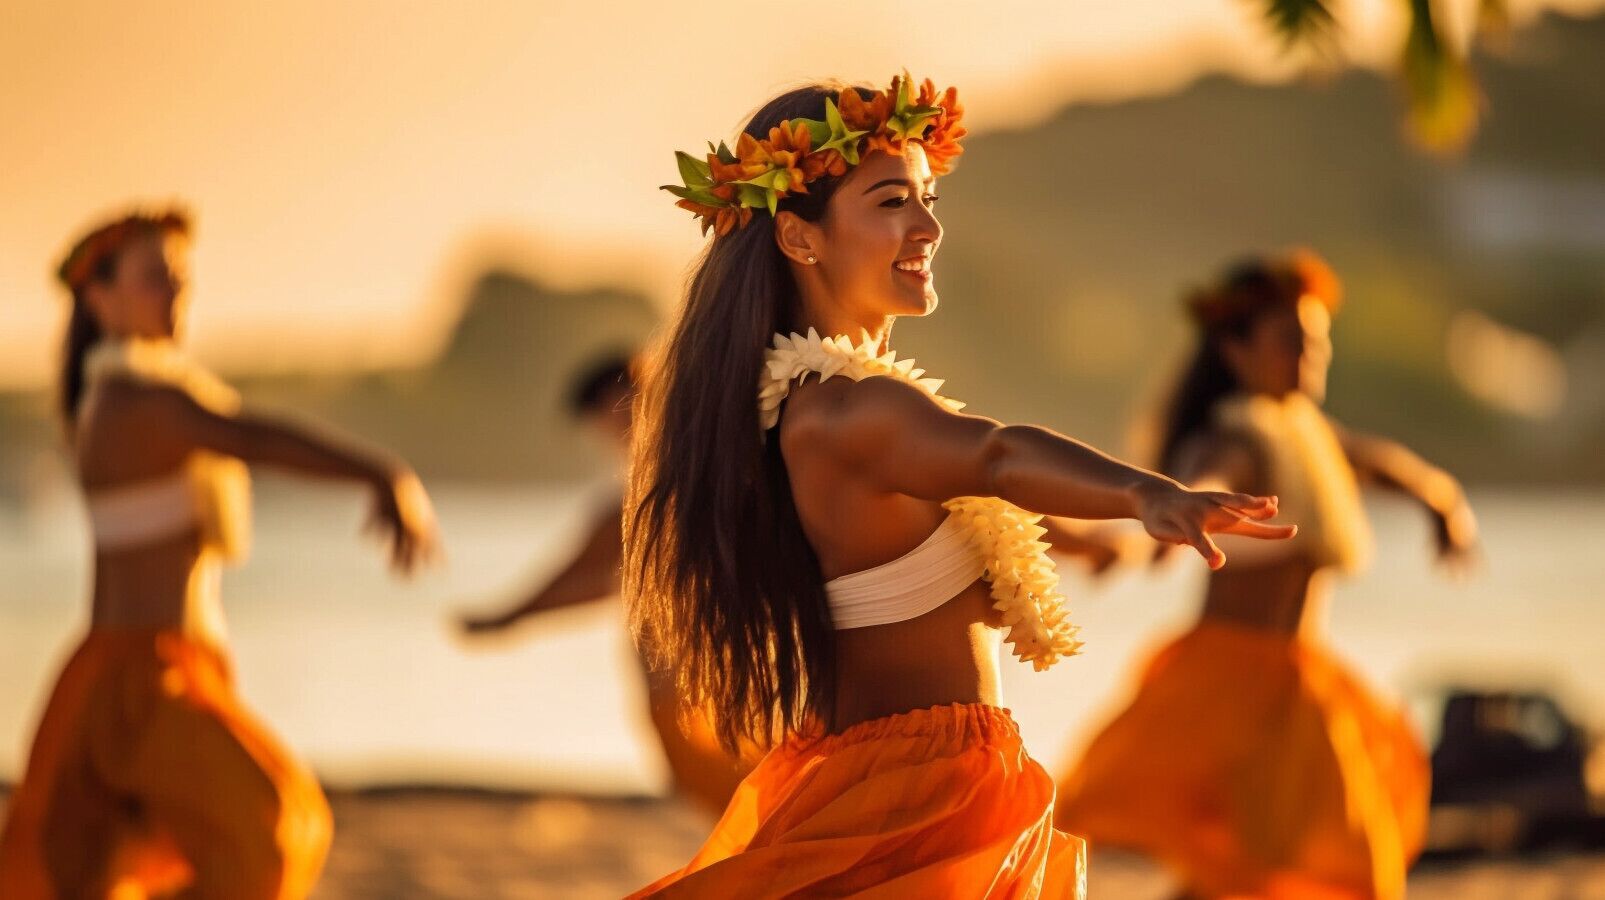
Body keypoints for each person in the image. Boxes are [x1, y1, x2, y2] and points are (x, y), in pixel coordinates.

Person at [623, 75, 1296, 897]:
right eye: (891, 202)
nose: (928, 226)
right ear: (800, 239)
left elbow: (951, 515)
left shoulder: (819, 407)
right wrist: (1142, 493)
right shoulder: (847, 410)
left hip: (907, 770)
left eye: (928, 197)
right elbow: (996, 457)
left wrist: (1083, 535)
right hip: (922, 783)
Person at [0, 208, 440, 899]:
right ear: (100, 297)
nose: (177, 296)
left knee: (215, 846)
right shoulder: (130, 404)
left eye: (179, 279)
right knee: (270, 827)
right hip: (140, 685)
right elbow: (250, 436)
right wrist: (380, 474)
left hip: (177, 674)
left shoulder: (141, 395)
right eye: (155, 279)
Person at [1055, 251, 1480, 900]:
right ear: (1234, 349)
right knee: (1275, 869)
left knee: (1286, 871)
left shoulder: (1305, 433)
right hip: (1230, 689)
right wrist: (1114, 545)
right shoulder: (1235, 444)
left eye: (1316, 346)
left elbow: (1385, 463)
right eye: (1290, 343)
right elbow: (1188, 494)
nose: (1308, 360)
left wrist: (1441, 503)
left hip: (1298, 684)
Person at [456, 354, 754, 814]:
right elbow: (602, 578)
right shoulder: (676, 478)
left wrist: (510, 616)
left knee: (738, 797)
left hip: (695, 685)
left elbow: (593, 571)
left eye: (604, 414)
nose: (604, 433)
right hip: (692, 684)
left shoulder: (675, 480)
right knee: (725, 795)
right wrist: (514, 617)